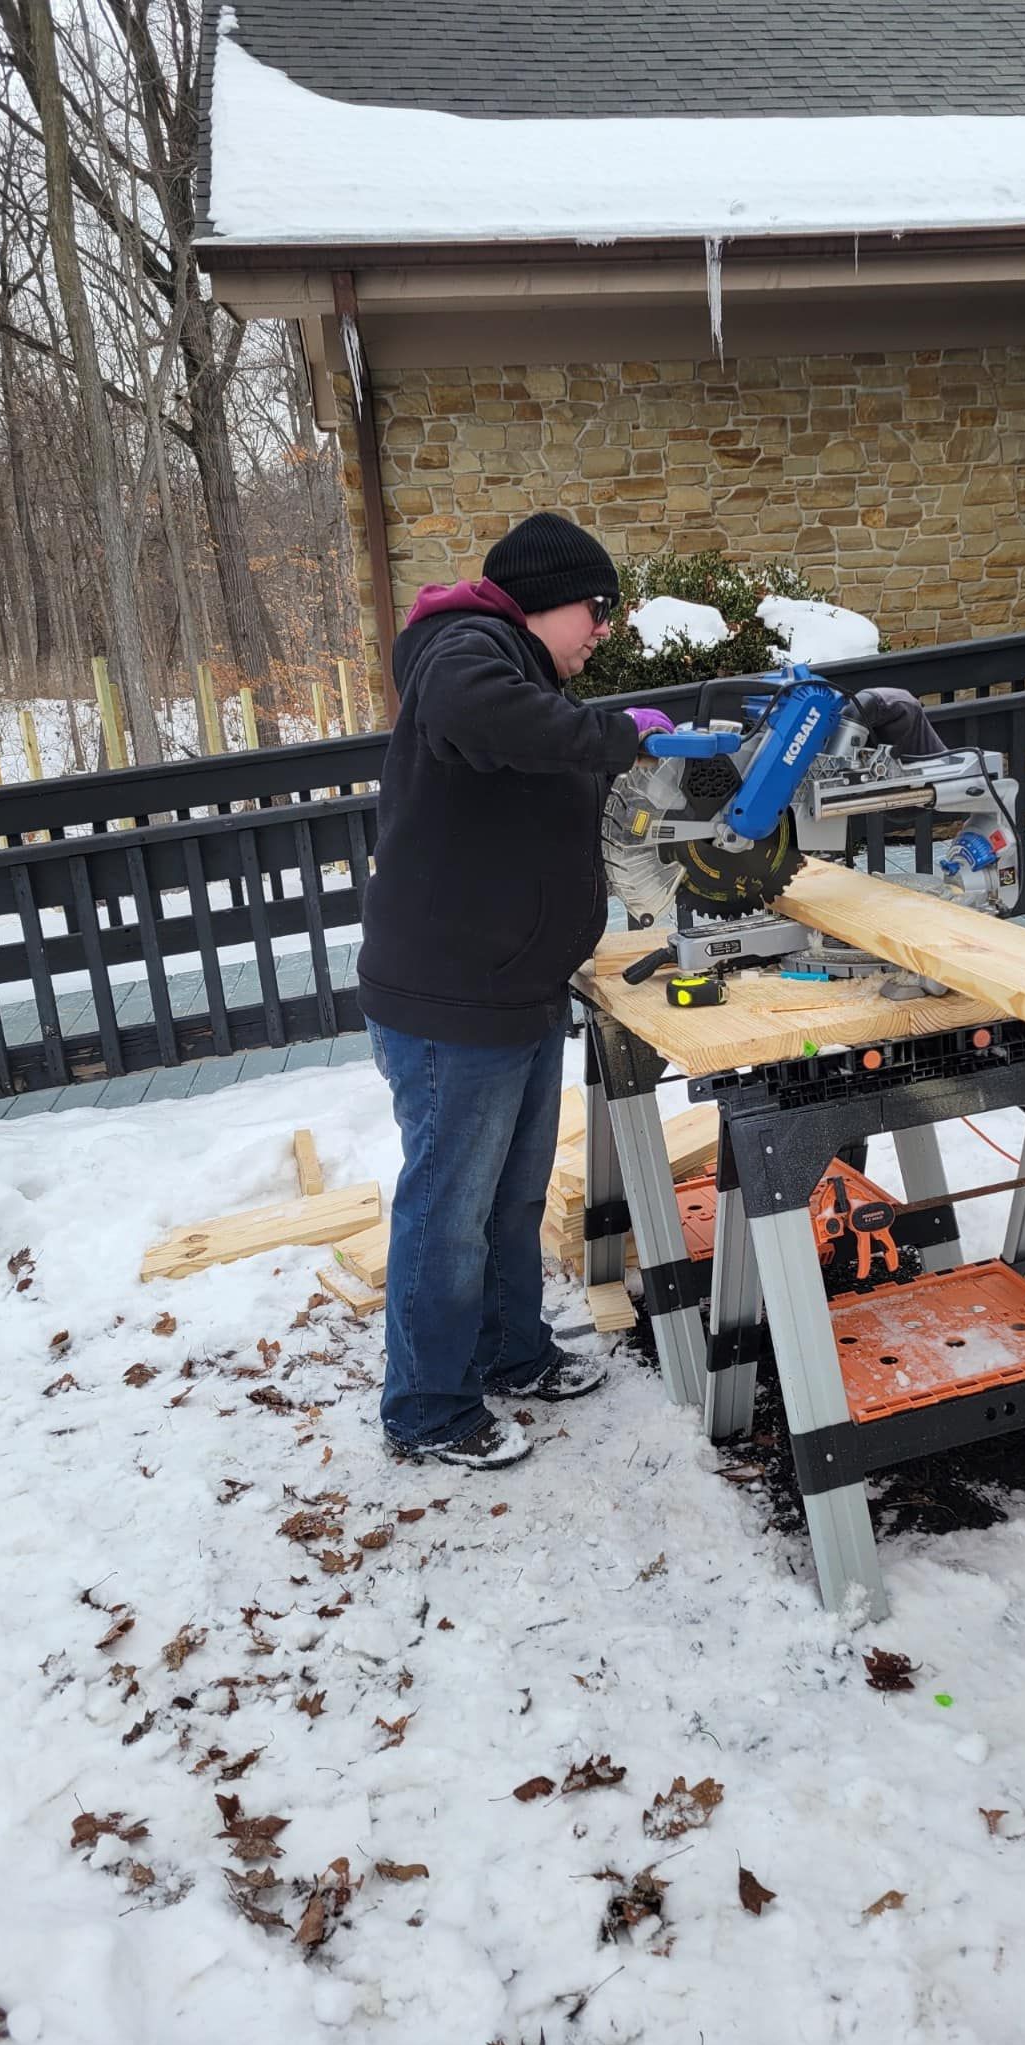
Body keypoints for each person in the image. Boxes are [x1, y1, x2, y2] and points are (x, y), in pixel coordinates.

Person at [358, 513, 674, 1471]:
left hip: (519, 991)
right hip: (453, 1004)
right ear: (545, 599)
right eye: (596, 609)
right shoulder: (464, 648)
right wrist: (613, 736)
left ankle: (510, 1353)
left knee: (508, 1201)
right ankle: (427, 1409)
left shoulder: (521, 673)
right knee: (448, 1213)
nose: (603, 630)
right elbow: (480, 714)